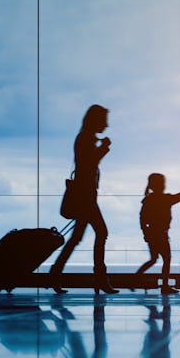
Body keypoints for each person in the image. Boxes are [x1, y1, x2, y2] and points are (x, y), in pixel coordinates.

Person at [51, 104, 118, 294]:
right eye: (104, 121)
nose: (106, 125)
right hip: (86, 197)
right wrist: (104, 148)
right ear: (95, 121)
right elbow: (88, 164)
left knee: (76, 238)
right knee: (102, 232)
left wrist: (101, 147)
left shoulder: (85, 138)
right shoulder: (86, 139)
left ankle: (56, 274)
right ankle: (100, 279)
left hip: (85, 195)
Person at [135, 173, 180, 294]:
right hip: (161, 234)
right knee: (166, 259)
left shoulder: (148, 199)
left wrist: (145, 233)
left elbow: (142, 218)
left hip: (152, 233)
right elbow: (179, 197)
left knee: (154, 259)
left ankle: (136, 278)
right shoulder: (164, 199)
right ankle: (164, 286)